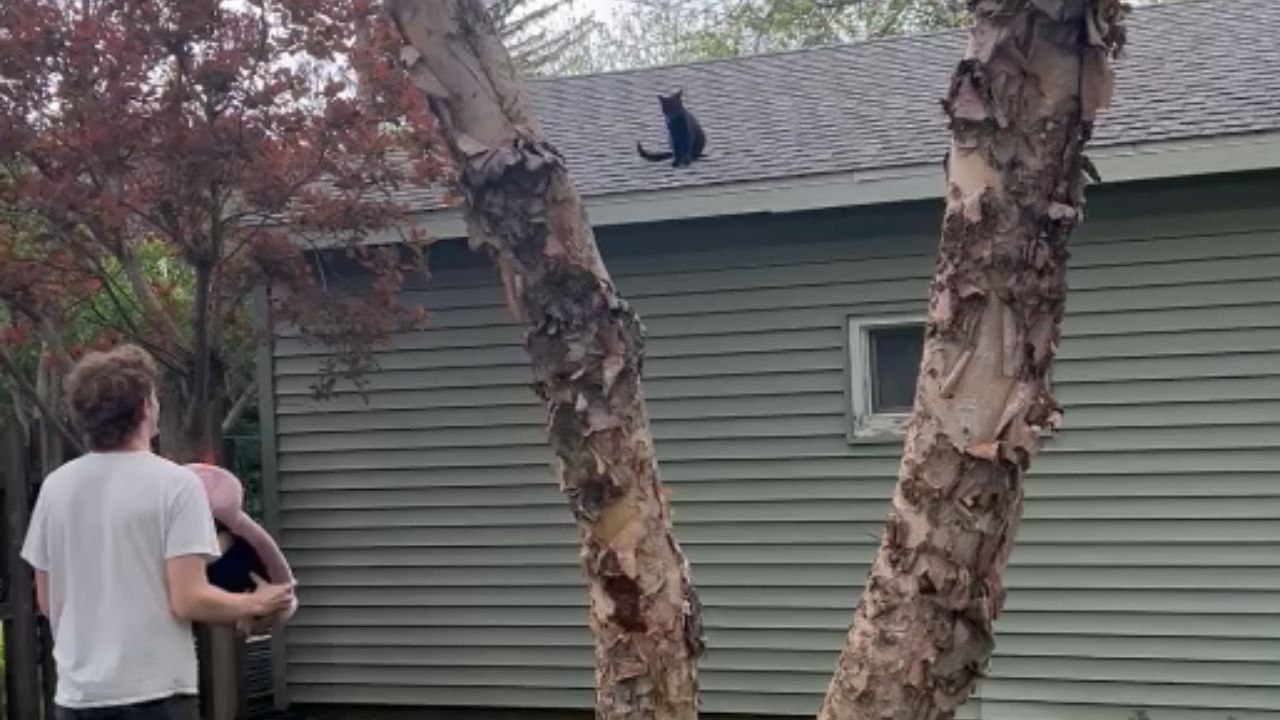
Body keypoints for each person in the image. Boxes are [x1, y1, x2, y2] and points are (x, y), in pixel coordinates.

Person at [20, 345, 295, 720]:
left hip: (76, 698)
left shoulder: (56, 487)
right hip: (156, 696)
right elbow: (189, 599)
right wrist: (255, 604)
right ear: (145, 406)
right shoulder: (177, 485)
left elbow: (48, 602)